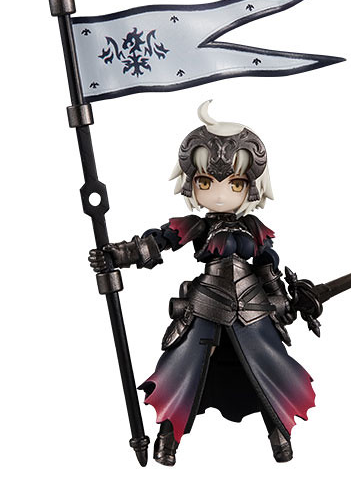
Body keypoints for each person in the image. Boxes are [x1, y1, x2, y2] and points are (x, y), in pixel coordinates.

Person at [89, 101, 314, 466]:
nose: (221, 194)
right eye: (207, 182)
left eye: (235, 183)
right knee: (184, 372)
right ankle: (168, 439)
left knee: (268, 371)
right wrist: (118, 254)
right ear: (193, 182)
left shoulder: (255, 230)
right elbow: (157, 242)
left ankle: (279, 435)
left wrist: (284, 302)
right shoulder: (198, 226)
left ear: (250, 186)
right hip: (206, 306)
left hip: (254, 311)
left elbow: (268, 268)